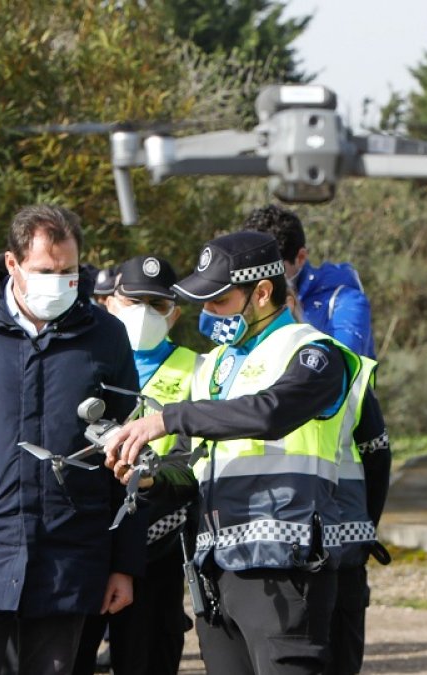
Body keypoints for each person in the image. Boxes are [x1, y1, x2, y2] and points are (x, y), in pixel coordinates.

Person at [99, 230, 381, 675]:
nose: (208, 313)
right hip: (216, 572)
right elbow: (194, 471)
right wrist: (151, 475)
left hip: (286, 571)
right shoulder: (214, 366)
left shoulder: (316, 355)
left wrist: (168, 418)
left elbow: (271, 413)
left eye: (219, 301)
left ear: (263, 292)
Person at [0, 204, 146, 675]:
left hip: (69, 556)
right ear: (13, 264)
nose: (59, 282)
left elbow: (127, 454)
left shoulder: (106, 336)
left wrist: (125, 562)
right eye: (45, 270)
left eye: (69, 271)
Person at [243, 205, 390, 673]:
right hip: (266, 499)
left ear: (299, 257)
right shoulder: (238, 297)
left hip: (341, 488)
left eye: (274, 268)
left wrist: (292, 323)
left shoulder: (342, 296)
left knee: (337, 639)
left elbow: (341, 361)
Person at [72, 255, 197, 675]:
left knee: (146, 660)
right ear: (109, 302)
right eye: (133, 300)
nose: (144, 312)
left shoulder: (197, 370)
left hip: (156, 546)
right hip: (85, 541)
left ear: (175, 314)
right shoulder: (81, 360)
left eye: (157, 304)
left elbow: (195, 467)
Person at [243, 204, 376, 358]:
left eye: (272, 272)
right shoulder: (246, 298)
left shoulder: (344, 301)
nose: (261, 282)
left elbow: (341, 364)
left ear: (300, 258)